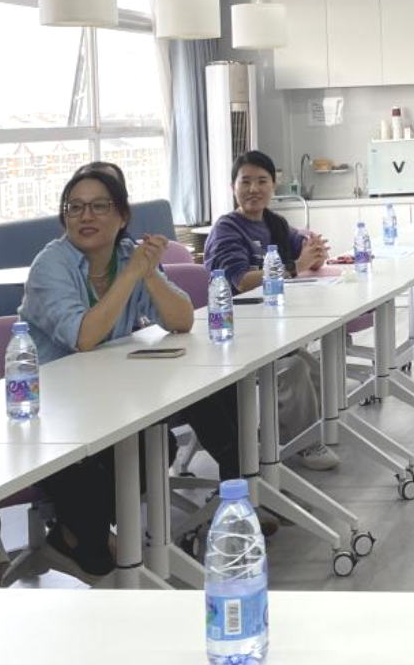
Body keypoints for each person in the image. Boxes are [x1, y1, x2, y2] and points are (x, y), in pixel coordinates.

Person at [18, 167, 221, 581]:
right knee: (99, 487)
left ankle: (82, 538)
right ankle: (85, 541)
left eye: (99, 206)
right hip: (55, 419)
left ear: (122, 215)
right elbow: (84, 337)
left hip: (111, 405)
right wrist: (131, 275)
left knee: (157, 443)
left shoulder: (128, 255)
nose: (85, 216)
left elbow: (182, 320)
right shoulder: (50, 265)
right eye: (74, 208)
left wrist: (148, 273)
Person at [204, 151, 338, 473]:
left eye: (262, 181)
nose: (254, 189)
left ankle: (285, 437)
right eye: (245, 182)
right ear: (233, 187)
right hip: (238, 332)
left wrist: (315, 253)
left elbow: (304, 257)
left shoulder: (274, 224)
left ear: (273, 186)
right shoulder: (227, 229)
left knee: (316, 370)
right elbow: (241, 280)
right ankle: (303, 445)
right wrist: (295, 266)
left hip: (273, 327)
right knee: (294, 369)